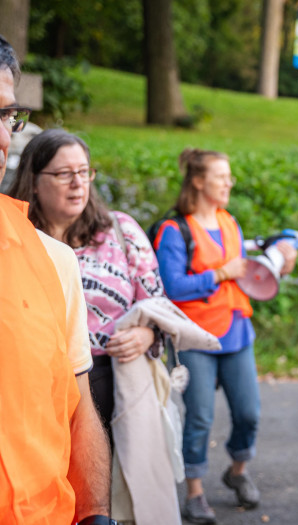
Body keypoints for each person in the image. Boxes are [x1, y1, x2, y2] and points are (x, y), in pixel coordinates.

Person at [7, 128, 183, 523]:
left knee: (118, 494)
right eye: (63, 173)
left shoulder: (119, 230)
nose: (77, 183)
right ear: (34, 181)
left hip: (115, 380)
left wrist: (147, 332)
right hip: (43, 392)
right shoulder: (17, 239)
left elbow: (157, 301)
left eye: (85, 172)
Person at [0, 35, 112, 524]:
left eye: (5, 116)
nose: (2, 137)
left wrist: (97, 515)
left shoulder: (54, 261)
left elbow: (78, 405)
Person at [153, 148, 297, 524]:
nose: (229, 182)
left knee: (249, 412)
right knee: (199, 416)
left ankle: (236, 472)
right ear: (198, 181)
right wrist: (219, 274)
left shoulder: (230, 222)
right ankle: (195, 493)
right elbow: (170, 287)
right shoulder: (174, 230)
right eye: (221, 176)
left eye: (229, 176)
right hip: (194, 335)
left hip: (236, 330)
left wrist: (275, 263)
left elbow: (243, 273)